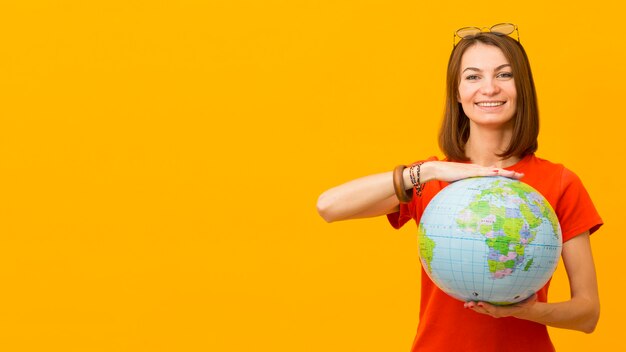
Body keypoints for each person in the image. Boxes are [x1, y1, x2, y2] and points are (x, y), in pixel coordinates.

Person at [316, 24, 603, 352]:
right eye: (473, 76)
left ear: (521, 87)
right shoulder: (430, 179)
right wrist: (431, 169)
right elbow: (329, 206)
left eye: (504, 75)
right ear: (456, 92)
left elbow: (588, 314)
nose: (490, 88)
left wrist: (532, 311)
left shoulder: (561, 182)